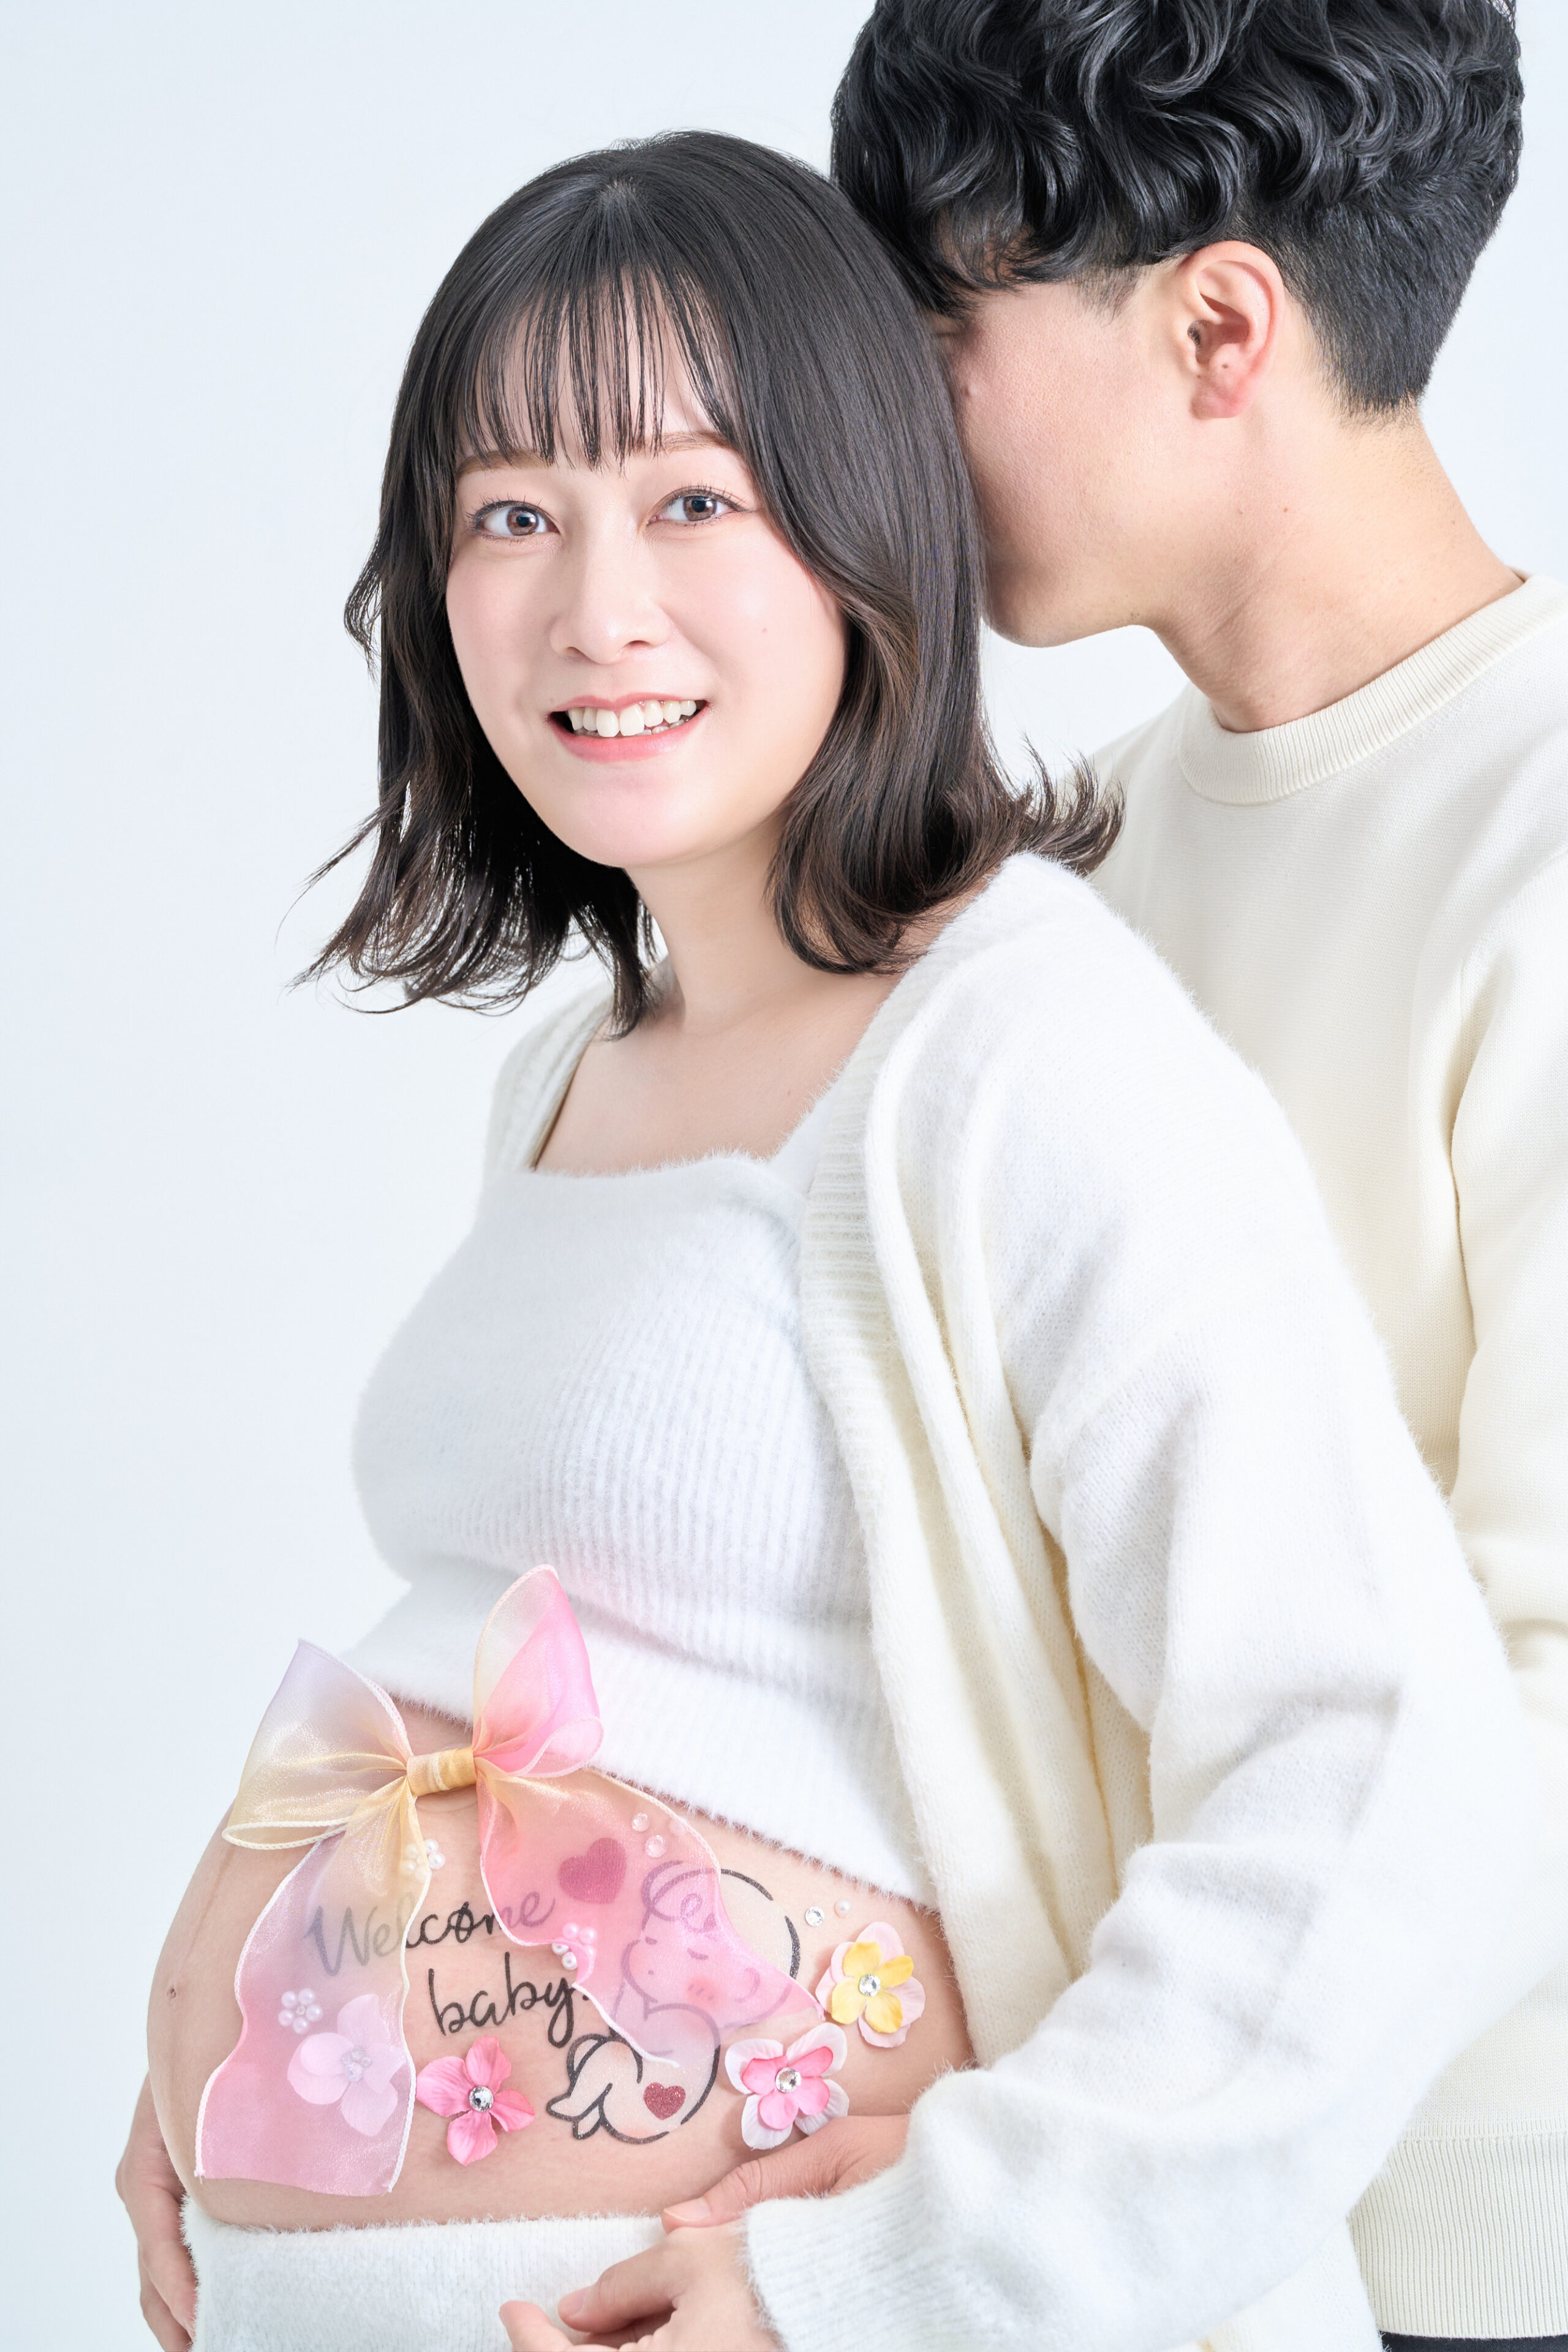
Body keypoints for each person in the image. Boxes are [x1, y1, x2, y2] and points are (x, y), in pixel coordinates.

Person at [119, 131, 1538, 2352]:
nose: (598, 609)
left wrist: (892, 2280)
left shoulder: (1021, 1055)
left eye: (695, 501)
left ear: (866, 530)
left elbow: (1387, 1775)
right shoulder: (571, 1071)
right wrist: (230, 2049)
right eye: (511, 515)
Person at [828, 3, 1568, 2349]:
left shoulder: (1543, 842)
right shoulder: (1090, 864)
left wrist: (1062, 2178)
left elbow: (1536, 1705)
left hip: (1472, 2247)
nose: (883, 429)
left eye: (935, 335)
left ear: (1220, 328)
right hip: (1158, 2228)